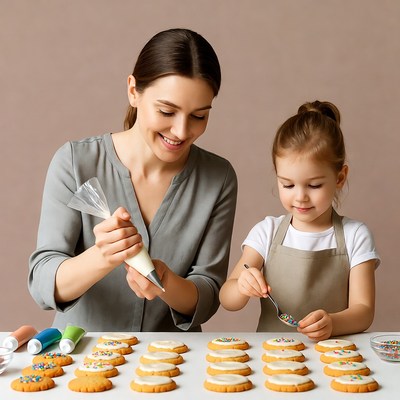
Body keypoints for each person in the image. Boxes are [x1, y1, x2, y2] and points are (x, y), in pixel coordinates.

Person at [29, 28, 237, 332]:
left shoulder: (218, 178)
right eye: (167, 111)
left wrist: (166, 282)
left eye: (199, 116)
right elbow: (42, 282)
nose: (181, 131)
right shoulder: (74, 163)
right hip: (81, 357)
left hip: (173, 363)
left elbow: (208, 294)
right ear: (133, 91)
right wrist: (102, 256)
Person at [219, 100, 380, 341]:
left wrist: (332, 323)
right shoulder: (267, 232)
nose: (300, 196)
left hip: (334, 357)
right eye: (288, 184)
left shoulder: (355, 235)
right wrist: (242, 285)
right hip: (272, 360)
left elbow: (364, 311)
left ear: (340, 178)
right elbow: (227, 299)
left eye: (314, 185)